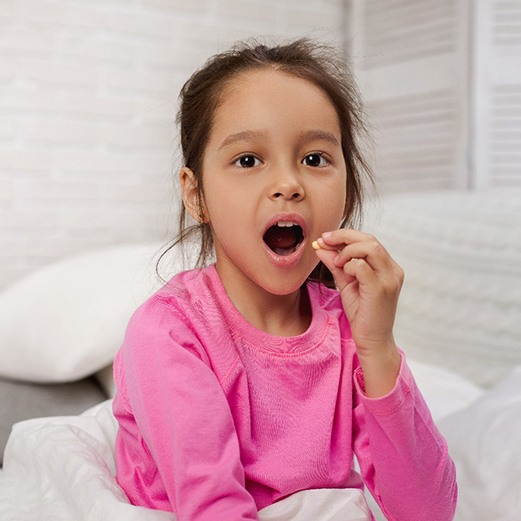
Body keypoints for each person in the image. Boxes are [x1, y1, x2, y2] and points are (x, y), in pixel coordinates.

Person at [112, 38, 457, 521]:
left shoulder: (348, 331)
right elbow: (213, 508)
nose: (289, 184)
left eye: (315, 159)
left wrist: (378, 346)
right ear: (197, 195)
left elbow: (428, 511)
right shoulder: (169, 332)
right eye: (248, 160)